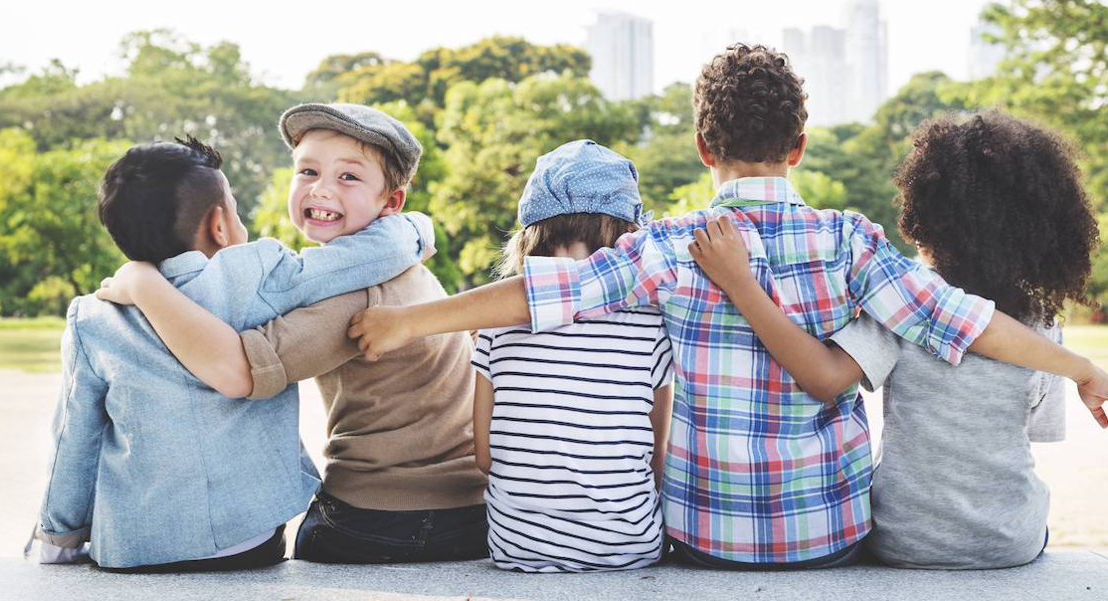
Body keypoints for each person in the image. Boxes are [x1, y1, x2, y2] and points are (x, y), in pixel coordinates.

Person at [344, 44, 1108, 569]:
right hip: (827, 536)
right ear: (800, 145)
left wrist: (411, 318)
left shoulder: (673, 244)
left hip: (708, 535)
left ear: (704, 146)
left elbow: (551, 292)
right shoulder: (852, 241)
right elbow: (962, 320)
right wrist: (1077, 365)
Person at [685, 111, 1097, 569]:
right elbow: (1033, 437)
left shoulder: (895, 312)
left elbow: (824, 377)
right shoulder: (1043, 333)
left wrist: (742, 285)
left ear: (924, 217)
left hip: (902, 540)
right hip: (1009, 544)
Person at [94, 103, 486, 564]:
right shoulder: (401, 256)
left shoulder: (351, 293)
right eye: (308, 171)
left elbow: (237, 372)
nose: (321, 189)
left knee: (297, 538)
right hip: (469, 511)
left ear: (391, 202)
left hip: (385, 515)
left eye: (349, 177)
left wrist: (144, 283)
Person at [30, 135, 436, 572]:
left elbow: (73, 439)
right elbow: (370, 255)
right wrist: (416, 225)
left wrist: (59, 536)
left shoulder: (91, 317)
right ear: (220, 226)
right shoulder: (256, 274)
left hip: (133, 546)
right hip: (248, 541)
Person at [468, 140, 675, 572]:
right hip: (628, 548)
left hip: (516, 548)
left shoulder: (495, 323)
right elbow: (658, 457)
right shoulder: (651, 325)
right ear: (627, 239)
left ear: (529, 237)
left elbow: (484, 456)